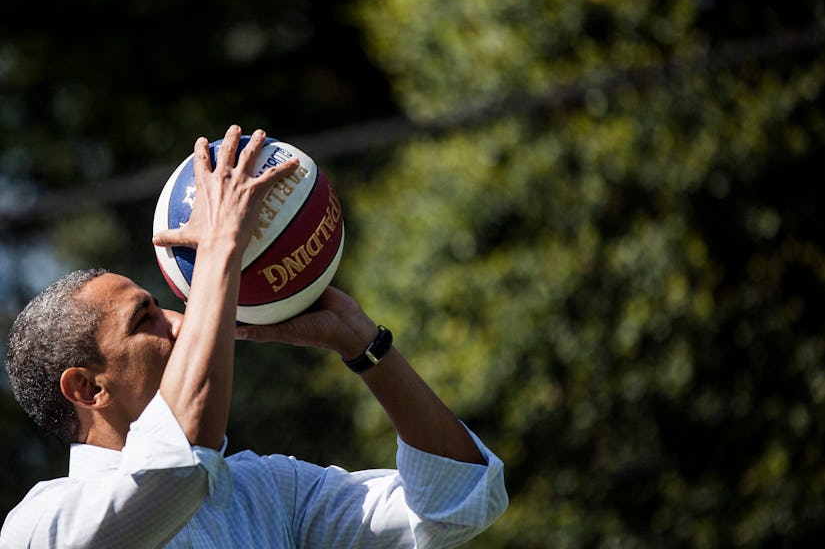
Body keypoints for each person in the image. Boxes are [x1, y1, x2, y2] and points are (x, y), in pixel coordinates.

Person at [0, 126, 508, 548]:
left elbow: (457, 503)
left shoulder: (269, 489)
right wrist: (220, 246)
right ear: (88, 388)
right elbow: (174, 471)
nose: (181, 321)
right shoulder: (41, 528)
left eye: (164, 305)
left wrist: (363, 344)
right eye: (145, 320)